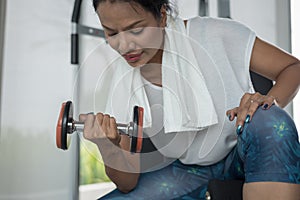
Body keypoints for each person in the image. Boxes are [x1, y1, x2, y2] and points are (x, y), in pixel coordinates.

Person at [79, 0, 300, 199]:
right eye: (112, 33)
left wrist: (265, 102)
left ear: (162, 16)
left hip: (242, 152)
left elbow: (293, 67)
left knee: (268, 119)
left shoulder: (215, 34)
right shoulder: (121, 83)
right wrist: (108, 147)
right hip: (190, 170)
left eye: (136, 30)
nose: (124, 46)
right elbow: (127, 183)